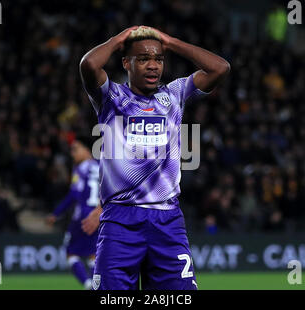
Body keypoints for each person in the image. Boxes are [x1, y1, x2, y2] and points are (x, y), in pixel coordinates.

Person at [80, 26, 230, 290]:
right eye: (143, 59)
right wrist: (119, 39)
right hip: (120, 221)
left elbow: (220, 68)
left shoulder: (174, 94)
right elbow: (89, 64)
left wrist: (170, 42)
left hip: (167, 220)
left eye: (158, 59)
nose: (153, 66)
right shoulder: (111, 97)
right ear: (127, 62)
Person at [46, 136, 102, 290]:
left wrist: (56, 213)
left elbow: (74, 195)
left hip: (83, 215)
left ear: (86, 150)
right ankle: (95, 286)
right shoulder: (101, 166)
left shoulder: (81, 168)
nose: (73, 153)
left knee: (70, 252)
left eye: (76, 149)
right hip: (99, 215)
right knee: (93, 254)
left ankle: (87, 284)